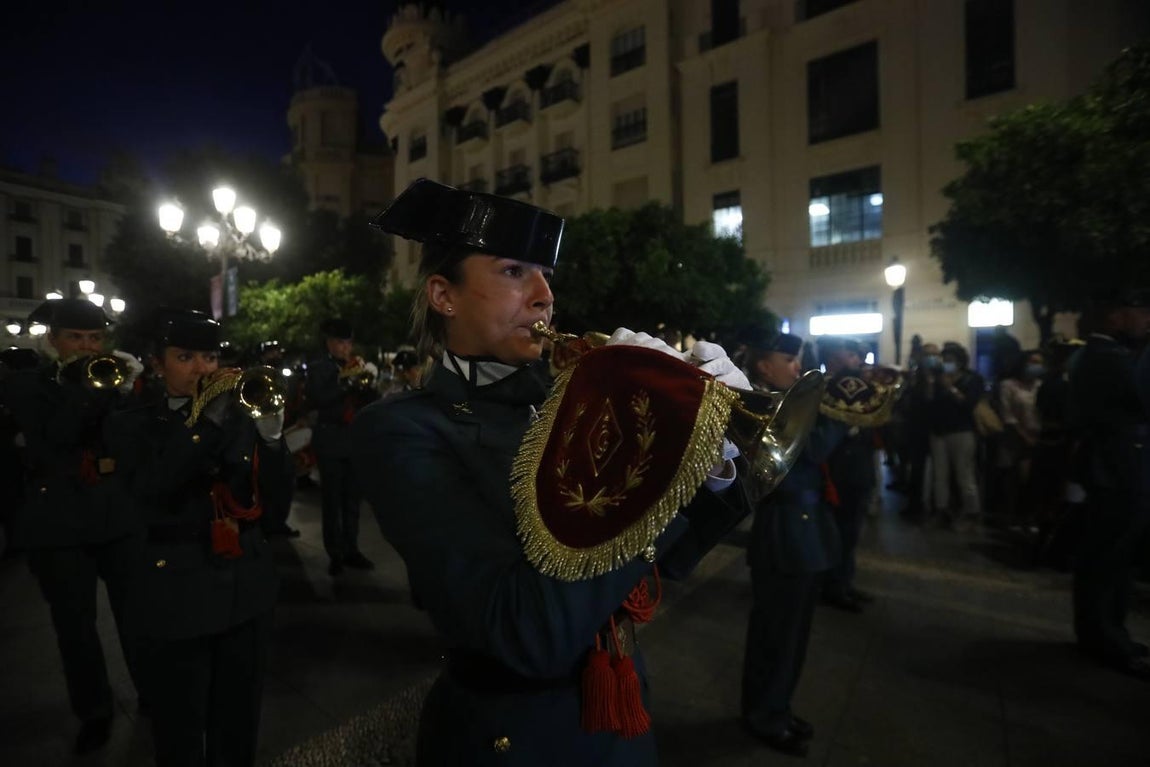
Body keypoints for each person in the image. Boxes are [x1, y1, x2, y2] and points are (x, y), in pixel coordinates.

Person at [353, 178, 753, 765]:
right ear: (444, 295)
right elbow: (525, 633)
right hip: (517, 736)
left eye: (546, 275)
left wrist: (706, 453)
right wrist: (641, 453)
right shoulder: (402, 429)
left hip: (620, 714)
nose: (544, 295)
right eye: (514, 271)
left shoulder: (572, 398)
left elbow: (670, 555)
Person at [104, 308, 290, 765]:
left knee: (239, 720)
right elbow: (153, 492)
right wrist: (205, 424)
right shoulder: (132, 424)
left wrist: (271, 434)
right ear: (157, 363)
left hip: (245, 586)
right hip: (177, 590)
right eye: (185, 356)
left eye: (209, 356)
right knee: (179, 725)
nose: (202, 369)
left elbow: (275, 504)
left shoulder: (238, 417)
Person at [2, 298, 144, 753]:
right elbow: (56, 439)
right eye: (76, 339)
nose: (87, 348)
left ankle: (152, 692)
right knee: (75, 626)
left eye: (96, 339)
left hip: (115, 511)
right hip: (58, 521)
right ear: (53, 341)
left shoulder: (119, 381)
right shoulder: (30, 385)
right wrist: (87, 387)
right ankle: (95, 710)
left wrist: (132, 392)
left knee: (137, 614)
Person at [740, 330, 846, 757]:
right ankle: (763, 715)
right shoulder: (759, 401)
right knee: (776, 636)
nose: (797, 368)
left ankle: (777, 707)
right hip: (785, 530)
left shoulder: (790, 400)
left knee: (794, 634)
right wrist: (837, 413)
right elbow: (814, 450)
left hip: (805, 526)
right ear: (765, 365)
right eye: (789, 359)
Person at [1067, 290, 1150, 679]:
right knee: (1109, 558)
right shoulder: (1109, 358)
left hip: (1111, 468)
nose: (1145, 319)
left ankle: (1105, 634)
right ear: (1116, 317)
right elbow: (1140, 400)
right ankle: (1106, 638)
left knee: (1108, 557)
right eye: (1140, 312)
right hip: (1116, 470)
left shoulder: (1098, 356)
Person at [306, 319, 378, 575]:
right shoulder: (319, 368)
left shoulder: (356, 366)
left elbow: (370, 401)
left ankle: (352, 549)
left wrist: (368, 384)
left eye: (348, 343)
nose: (345, 348)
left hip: (353, 440)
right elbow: (318, 398)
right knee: (332, 501)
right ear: (330, 343)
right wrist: (346, 384)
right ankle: (334, 554)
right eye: (340, 343)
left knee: (352, 501)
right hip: (331, 439)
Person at [817, 337, 877, 612]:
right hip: (837, 472)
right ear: (834, 357)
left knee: (851, 533)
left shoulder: (860, 387)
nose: (857, 359)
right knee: (838, 532)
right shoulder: (821, 387)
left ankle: (845, 582)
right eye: (851, 354)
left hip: (858, 470)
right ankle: (833, 586)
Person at [925, 342, 984, 529]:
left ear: (960, 361)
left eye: (950, 360)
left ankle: (971, 512)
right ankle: (941, 510)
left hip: (961, 432)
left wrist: (951, 388)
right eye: (944, 360)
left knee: (964, 474)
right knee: (940, 475)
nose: (946, 363)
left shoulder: (971, 379)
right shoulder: (938, 378)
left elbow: (969, 405)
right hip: (939, 432)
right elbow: (930, 403)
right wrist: (931, 384)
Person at [256, 341, 301, 538]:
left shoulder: (284, 371)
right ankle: (266, 523)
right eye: (270, 352)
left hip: (281, 430)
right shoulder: (257, 372)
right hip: (261, 432)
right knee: (266, 482)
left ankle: (279, 522)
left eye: (276, 351)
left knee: (286, 479)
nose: (274, 354)